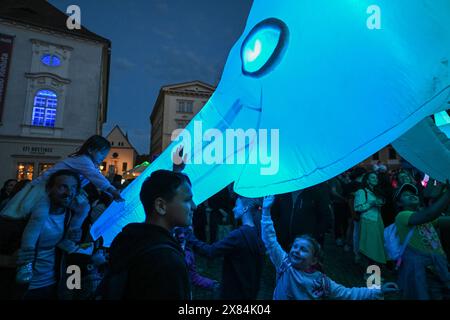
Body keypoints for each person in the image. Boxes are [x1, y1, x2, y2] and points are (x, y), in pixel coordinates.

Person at [261, 195, 399, 300]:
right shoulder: (284, 264)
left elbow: (348, 293)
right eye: (295, 247)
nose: (296, 250)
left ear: (314, 260)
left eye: (303, 249)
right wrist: (266, 210)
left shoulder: (321, 282)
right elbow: (270, 239)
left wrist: (378, 291)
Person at [105, 170, 195, 300]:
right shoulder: (167, 260)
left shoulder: (127, 240)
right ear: (161, 206)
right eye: (187, 200)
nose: (194, 206)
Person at [15, 170, 87, 299]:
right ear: (49, 189)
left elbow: (73, 259)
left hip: (54, 285)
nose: (68, 193)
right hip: (24, 288)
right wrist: (10, 260)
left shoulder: (72, 216)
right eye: (62, 187)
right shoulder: (25, 216)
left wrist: (72, 289)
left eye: (73, 188)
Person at [187, 196, 266, 300]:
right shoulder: (256, 233)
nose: (233, 209)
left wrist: (189, 236)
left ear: (245, 209)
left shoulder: (238, 236)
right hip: (249, 292)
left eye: (237, 205)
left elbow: (210, 251)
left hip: (234, 293)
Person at [395, 182, 450, 299]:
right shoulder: (402, 216)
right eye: (405, 195)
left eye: (413, 193)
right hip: (424, 272)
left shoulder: (424, 217)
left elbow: (442, 220)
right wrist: (448, 193)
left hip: (438, 268)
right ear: (399, 203)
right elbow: (429, 214)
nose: (411, 195)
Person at [354, 172, 387, 268]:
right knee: (370, 249)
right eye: (372, 178)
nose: (375, 179)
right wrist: (371, 203)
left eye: (376, 178)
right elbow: (357, 208)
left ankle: (373, 275)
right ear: (367, 180)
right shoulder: (361, 191)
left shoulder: (376, 191)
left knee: (376, 248)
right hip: (367, 221)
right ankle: (370, 275)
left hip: (377, 220)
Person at [173, 227, 220, 294]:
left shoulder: (188, 253)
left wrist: (212, 284)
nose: (182, 236)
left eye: (186, 233)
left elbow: (193, 277)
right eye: (178, 232)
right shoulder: (164, 251)